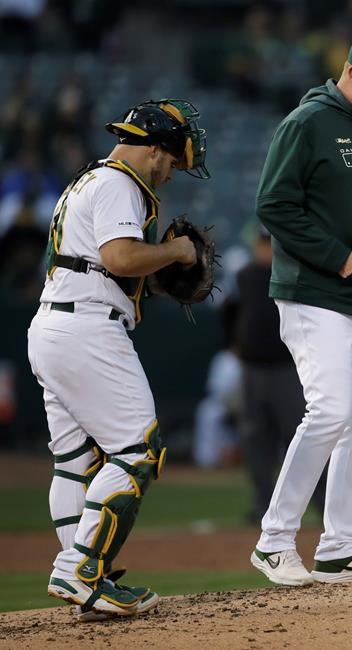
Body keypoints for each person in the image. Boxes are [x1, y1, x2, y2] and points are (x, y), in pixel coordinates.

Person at [27, 98, 209, 620]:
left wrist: (153, 273)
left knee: (74, 464)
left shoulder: (89, 179)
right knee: (138, 450)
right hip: (86, 328)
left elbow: (107, 265)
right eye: (173, 162)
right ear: (154, 148)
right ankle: (81, 570)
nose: (172, 172)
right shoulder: (119, 183)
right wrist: (176, 255)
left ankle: (79, 571)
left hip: (55, 326)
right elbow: (119, 258)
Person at [250, 32, 352, 586]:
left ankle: (339, 547)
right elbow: (273, 204)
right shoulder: (306, 123)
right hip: (314, 293)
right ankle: (274, 540)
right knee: (329, 411)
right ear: (351, 71)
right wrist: (338, 258)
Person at [226, 225, 326, 522]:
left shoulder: (293, 273)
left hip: (288, 368)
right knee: (256, 440)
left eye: (271, 243)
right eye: (263, 243)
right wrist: (232, 343)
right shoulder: (244, 276)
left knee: (302, 437)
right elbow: (228, 313)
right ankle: (262, 505)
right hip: (252, 369)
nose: (266, 249)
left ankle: (322, 504)